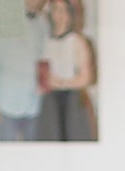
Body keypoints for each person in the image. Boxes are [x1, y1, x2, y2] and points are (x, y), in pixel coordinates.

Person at [0, 0, 47, 142]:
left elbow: (43, 59)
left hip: (34, 105)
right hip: (6, 104)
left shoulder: (43, 25)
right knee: (7, 156)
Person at [37, 0, 97, 143]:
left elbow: (87, 78)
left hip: (72, 102)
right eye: (56, 10)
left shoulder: (77, 41)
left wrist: (62, 83)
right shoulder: (45, 41)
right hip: (49, 103)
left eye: (64, 10)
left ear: (70, 15)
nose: (60, 15)